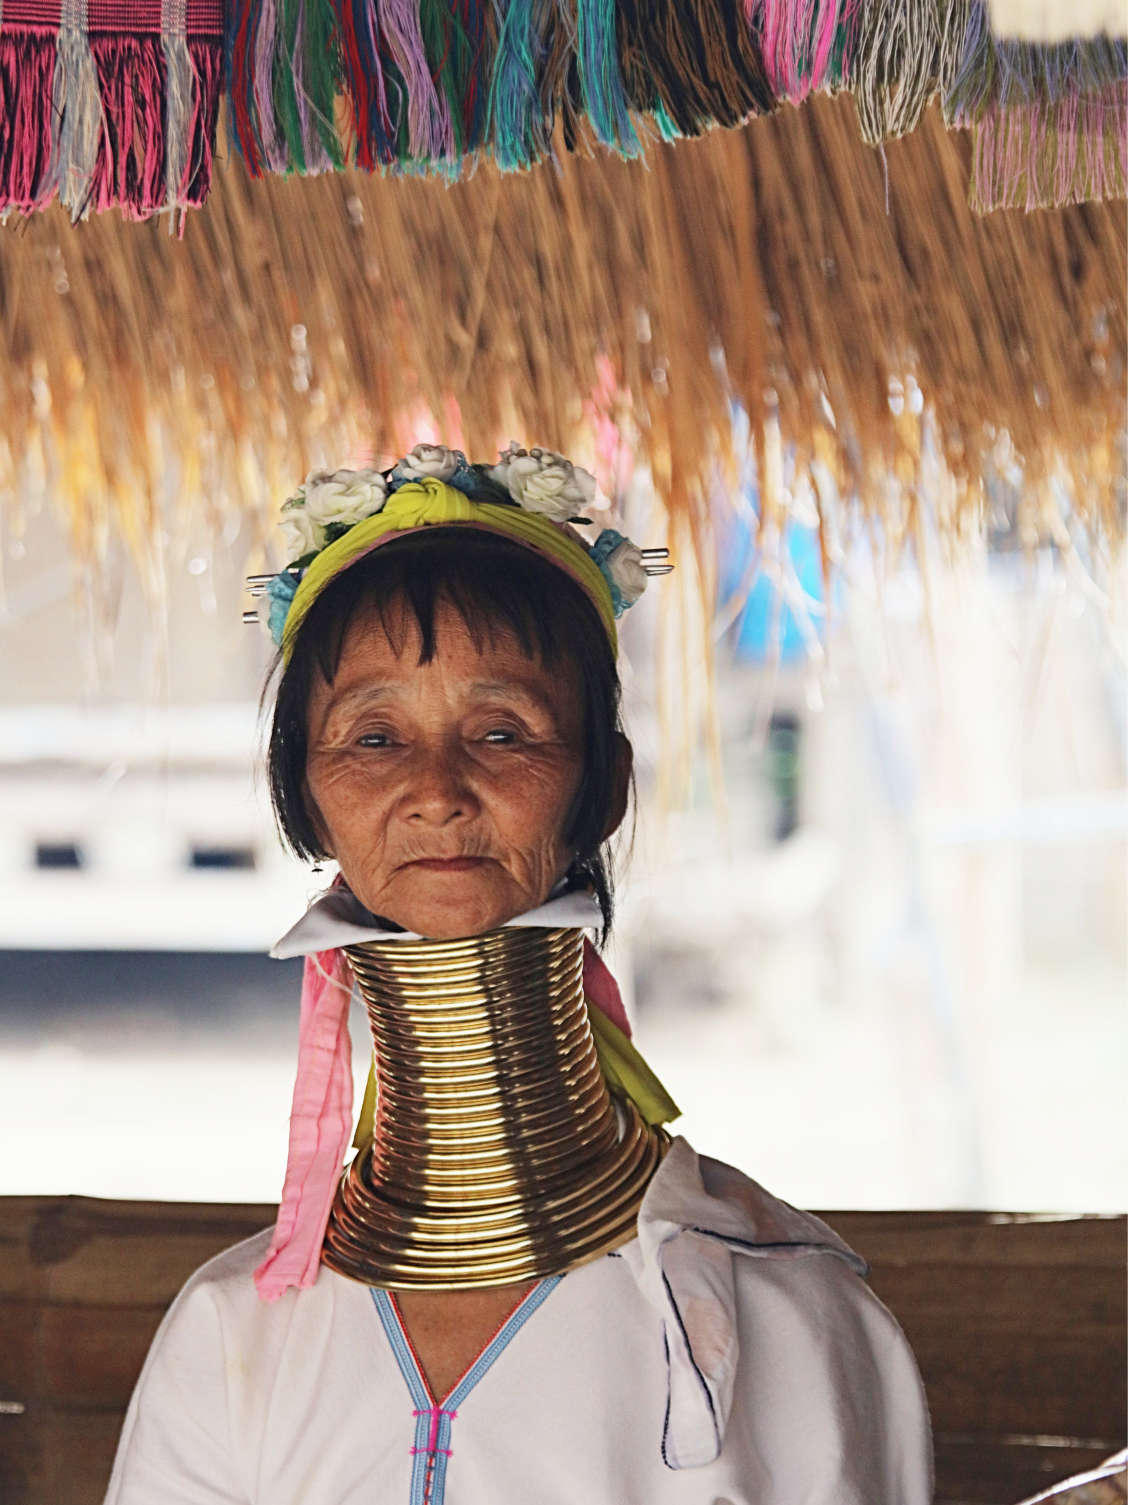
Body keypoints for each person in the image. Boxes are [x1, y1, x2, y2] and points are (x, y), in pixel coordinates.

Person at [103, 444, 934, 1504]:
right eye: (373, 734)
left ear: (605, 784)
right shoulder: (236, 1337)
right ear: (303, 794)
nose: (437, 789)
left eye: (503, 730)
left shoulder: (783, 1317)